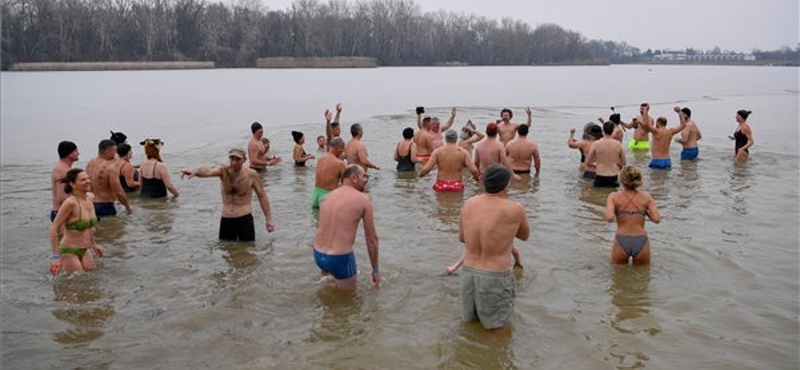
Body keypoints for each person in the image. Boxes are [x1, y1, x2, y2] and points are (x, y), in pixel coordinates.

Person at [454, 165, 529, 331]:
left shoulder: (469, 203)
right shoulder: (515, 208)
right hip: (495, 275)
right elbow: (524, 236)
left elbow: (462, 238)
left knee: (471, 325)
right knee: (498, 329)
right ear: (506, 184)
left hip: (468, 272)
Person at [180, 148, 274, 241]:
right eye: (232, 159)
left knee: (247, 252)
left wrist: (268, 219)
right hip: (226, 219)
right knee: (226, 251)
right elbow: (208, 171)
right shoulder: (223, 170)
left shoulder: (251, 175)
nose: (234, 162)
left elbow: (262, 196)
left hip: (244, 218)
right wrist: (196, 172)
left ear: (244, 160)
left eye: (238, 159)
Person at [312, 164, 380, 291]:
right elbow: (372, 239)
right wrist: (375, 270)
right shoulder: (364, 200)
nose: (367, 180)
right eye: (364, 176)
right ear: (354, 178)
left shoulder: (326, 197)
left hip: (318, 254)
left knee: (327, 291)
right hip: (339, 258)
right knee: (348, 304)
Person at [49, 168, 103, 275]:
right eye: (83, 180)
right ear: (72, 184)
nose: (88, 181)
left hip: (85, 249)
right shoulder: (70, 203)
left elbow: (88, 227)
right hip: (69, 251)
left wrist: (94, 244)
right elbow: (54, 228)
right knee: (78, 283)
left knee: (91, 280)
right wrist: (56, 257)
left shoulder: (90, 198)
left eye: (88, 178)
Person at [604, 165, 661, 264]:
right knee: (642, 277)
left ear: (621, 180)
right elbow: (657, 219)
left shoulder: (613, 197)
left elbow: (609, 217)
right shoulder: (646, 197)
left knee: (618, 277)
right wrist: (645, 212)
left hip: (622, 239)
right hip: (641, 240)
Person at [86, 139, 132, 216]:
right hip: (105, 206)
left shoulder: (90, 163)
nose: (116, 153)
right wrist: (128, 206)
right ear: (108, 151)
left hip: (90, 204)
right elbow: (119, 192)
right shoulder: (110, 168)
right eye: (115, 151)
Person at [585, 122, 626, 187]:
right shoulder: (618, 144)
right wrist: (616, 165)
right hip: (613, 176)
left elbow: (588, 162)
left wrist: (597, 165)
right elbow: (623, 163)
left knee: (598, 195)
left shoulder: (596, 144)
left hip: (600, 176)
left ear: (603, 130)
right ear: (612, 131)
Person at [313, 137, 346, 209]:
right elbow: (345, 183)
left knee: (316, 219)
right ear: (337, 148)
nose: (343, 151)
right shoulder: (339, 163)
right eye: (342, 149)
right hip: (327, 196)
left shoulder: (320, 159)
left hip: (316, 194)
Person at [51, 141, 79, 222]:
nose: (79, 153)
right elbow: (62, 197)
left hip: (60, 212)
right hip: (62, 213)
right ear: (69, 153)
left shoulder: (62, 167)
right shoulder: (63, 170)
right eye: (76, 151)